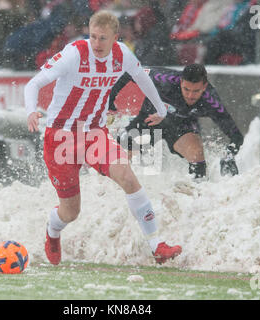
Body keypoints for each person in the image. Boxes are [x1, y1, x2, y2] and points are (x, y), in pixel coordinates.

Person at [24, 10, 182, 266]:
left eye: (103, 39)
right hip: (60, 137)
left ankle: (157, 245)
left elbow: (142, 78)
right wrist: (31, 110)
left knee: (128, 177)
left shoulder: (122, 55)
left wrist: (161, 108)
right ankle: (52, 233)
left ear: (115, 38)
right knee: (71, 211)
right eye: (93, 37)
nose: (97, 44)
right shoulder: (74, 53)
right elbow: (32, 84)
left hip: (95, 134)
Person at [109, 64, 244, 179]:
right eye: (186, 89)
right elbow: (129, 72)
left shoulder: (211, 101)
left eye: (196, 91)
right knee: (121, 158)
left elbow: (236, 136)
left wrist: (229, 155)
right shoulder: (164, 78)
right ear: (181, 82)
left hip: (180, 126)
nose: (190, 95)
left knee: (196, 154)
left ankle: (198, 194)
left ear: (204, 87)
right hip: (148, 119)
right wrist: (110, 104)